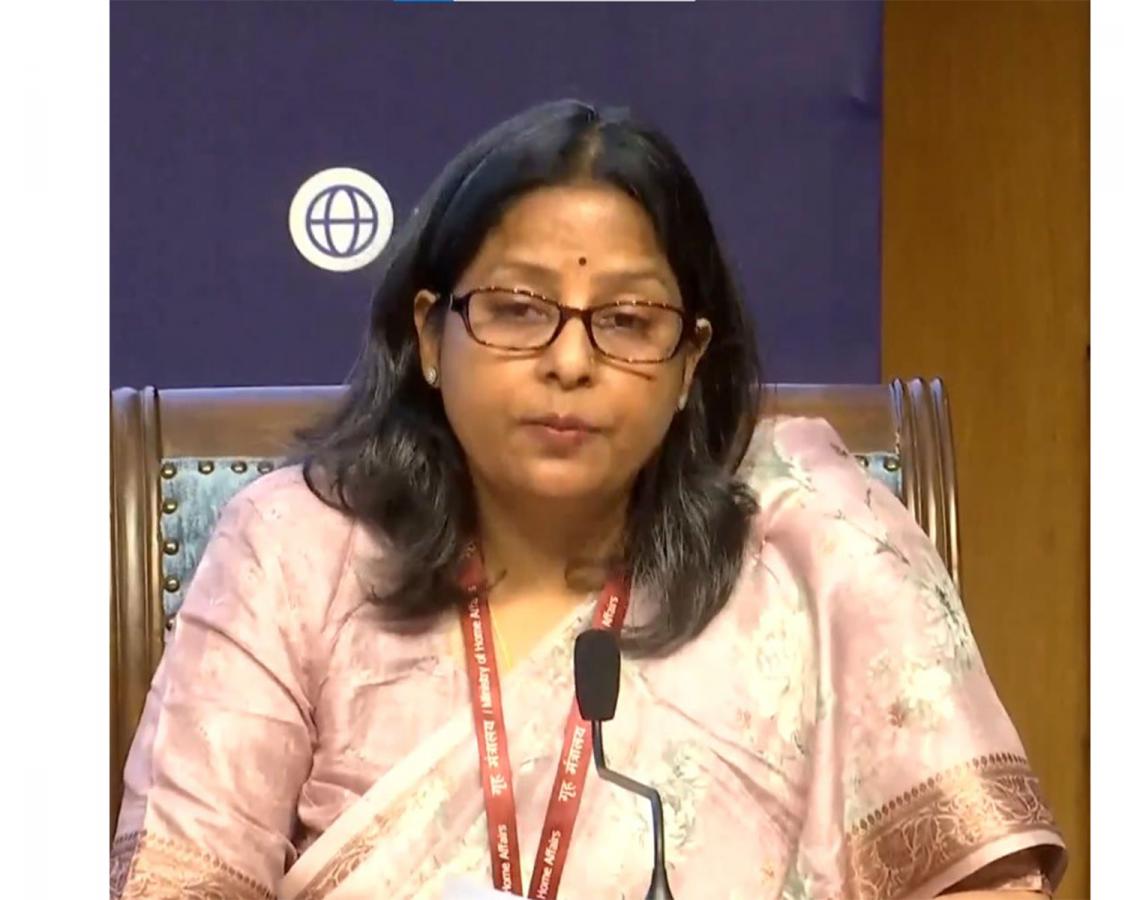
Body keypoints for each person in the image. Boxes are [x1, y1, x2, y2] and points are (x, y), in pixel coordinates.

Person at [110, 100, 1066, 900]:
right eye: (518, 309)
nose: (570, 361)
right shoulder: (292, 550)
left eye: (627, 320)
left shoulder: (812, 546)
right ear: (432, 336)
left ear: (689, 361)